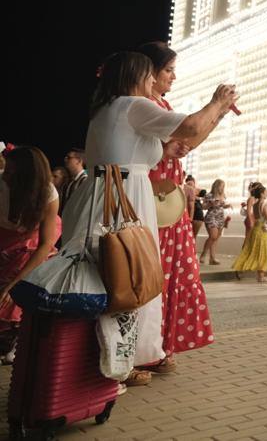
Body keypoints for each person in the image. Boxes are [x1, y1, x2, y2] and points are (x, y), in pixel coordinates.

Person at [60, 51, 236, 385]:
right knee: (127, 276)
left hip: (106, 193)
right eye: (150, 75)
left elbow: (153, 146)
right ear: (135, 77)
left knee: (102, 275)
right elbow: (191, 126)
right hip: (124, 198)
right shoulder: (133, 105)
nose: (154, 81)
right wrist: (216, 102)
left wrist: (168, 149)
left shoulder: (109, 108)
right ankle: (117, 364)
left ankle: (99, 359)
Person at [138, 40, 215, 377]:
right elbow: (190, 129)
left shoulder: (161, 103)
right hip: (150, 204)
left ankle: (160, 346)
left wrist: (219, 113)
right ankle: (143, 349)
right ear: (148, 73)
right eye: (168, 70)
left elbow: (191, 137)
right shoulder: (141, 105)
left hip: (169, 207)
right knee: (150, 279)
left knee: (173, 277)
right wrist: (216, 105)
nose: (173, 76)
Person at [0, 147, 61, 363]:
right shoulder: (1, 185)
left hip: (31, 243)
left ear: (28, 178)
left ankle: (13, 339)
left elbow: (45, 245)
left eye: (11, 173)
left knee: (14, 292)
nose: (5, 176)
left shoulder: (48, 195)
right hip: (4, 239)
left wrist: (15, 283)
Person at [232, 182, 267, 283]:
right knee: (262, 252)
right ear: (262, 194)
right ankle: (261, 276)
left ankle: (243, 269)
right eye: (266, 191)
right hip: (262, 231)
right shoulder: (264, 203)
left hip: (256, 229)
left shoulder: (256, 203)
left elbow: (261, 215)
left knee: (252, 251)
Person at [199, 179, 229, 264]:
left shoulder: (223, 195)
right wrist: (210, 204)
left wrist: (227, 205)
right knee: (213, 236)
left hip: (220, 217)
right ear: (216, 186)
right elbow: (203, 207)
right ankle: (203, 254)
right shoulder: (209, 195)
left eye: (223, 186)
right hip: (211, 217)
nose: (222, 188)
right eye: (221, 186)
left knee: (216, 238)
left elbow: (221, 206)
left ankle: (212, 258)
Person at [61, 148, 88, 213]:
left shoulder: (85, 180)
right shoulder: (70, 181)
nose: (65, 159)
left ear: (78, 161)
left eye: (68, 157)